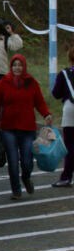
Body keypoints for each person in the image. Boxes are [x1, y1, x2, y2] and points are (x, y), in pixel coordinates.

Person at [0, 55, 51, 199]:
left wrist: (46, 114)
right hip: (8, 127)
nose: (17, 68)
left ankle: (26, 177)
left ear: (24, 67)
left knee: (26, 160)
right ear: (11, 67)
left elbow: (39, 102)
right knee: (12, 160)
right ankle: (16, 190)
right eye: (14, 65)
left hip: (27, 127)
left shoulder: (31, 82)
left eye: (20, 65)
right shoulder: (3, 83)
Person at [50, 46, 74, 188]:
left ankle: (66, 177)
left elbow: (56, 94)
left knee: (70, 145)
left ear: (69, 59)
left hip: (70, 109)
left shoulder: (64, 74)